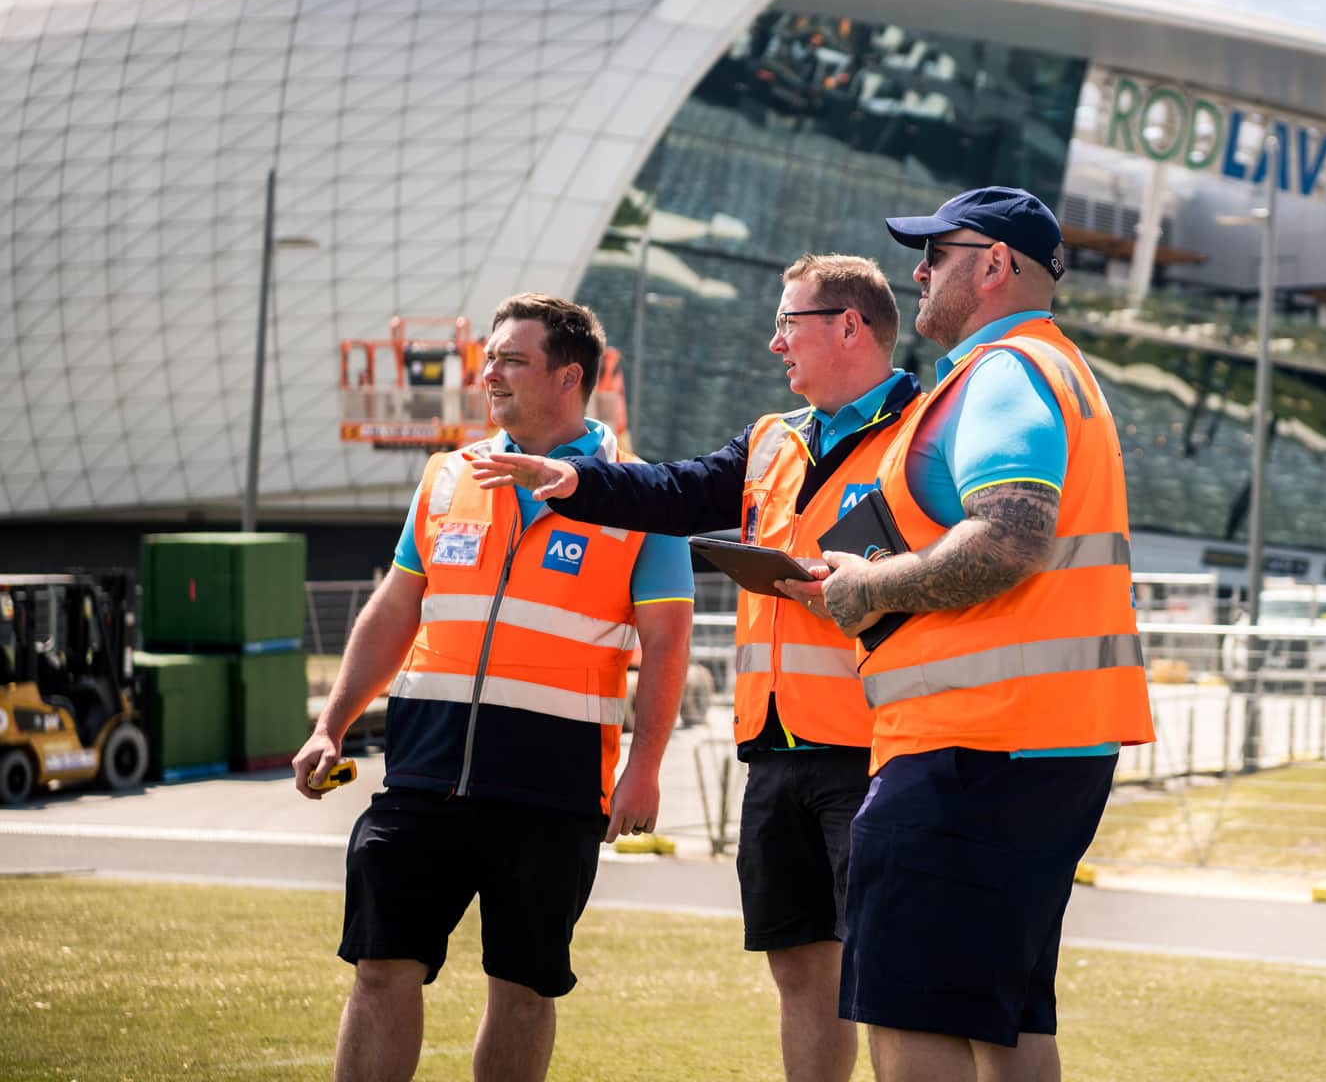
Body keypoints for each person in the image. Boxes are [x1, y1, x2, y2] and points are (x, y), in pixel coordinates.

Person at [466, 254, 918, 1082]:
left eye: (788, 323)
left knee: (889, 977)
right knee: (799, 972)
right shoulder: (773, 438)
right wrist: (574, 479)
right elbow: (674, 491)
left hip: (881, 748)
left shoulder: (927, 429)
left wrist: (873, 584)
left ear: (850, 327)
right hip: (775, 748)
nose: (775, 343)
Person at [792, 187, 1155, 1082]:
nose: (918, 273)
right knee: (1008, 1022)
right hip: (1037, 743)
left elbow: (1012, 535)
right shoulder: (1051, 368)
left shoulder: (1003, 372)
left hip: (972, 749)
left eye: (935, 254)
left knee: (911, 1017)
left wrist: (868, 586)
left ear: (994, 265)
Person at [292, 293, 694, 1082]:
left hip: (554, 788)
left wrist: (643, 768)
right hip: (421, 776)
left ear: (569, 378)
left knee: (523, 989)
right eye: (491, 358)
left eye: (513, 359)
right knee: (379, 967)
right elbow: (395, 609)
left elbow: (667, 643)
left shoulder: (642, 495)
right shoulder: (448, 476)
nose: (490, 375)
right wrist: (330, 724)